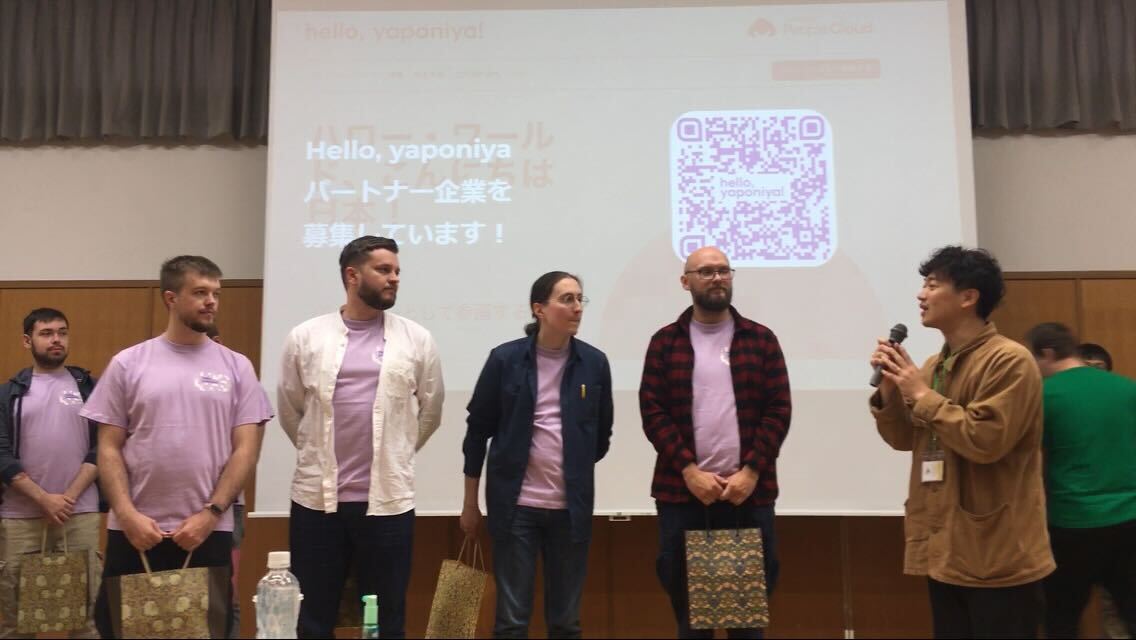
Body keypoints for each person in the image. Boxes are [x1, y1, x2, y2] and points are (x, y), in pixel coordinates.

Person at [82, 255, 273, 638]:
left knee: (206, 631)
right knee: (122, 629)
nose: (211, 301)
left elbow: (246, 449)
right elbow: (108, 447)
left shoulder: (237, 366)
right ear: (170, 298)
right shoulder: (128, 364)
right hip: (135, 530)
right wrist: (127, 515)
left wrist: (211, 513)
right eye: (200, 292)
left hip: (207, 529)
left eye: (216, 293)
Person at [870, 245, 1053, 638]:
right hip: (945, 550)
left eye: (932, 285)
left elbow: (985, 440)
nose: (921, 294)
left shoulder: (1009, 360)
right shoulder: (934, 365)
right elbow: (904, 439)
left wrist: (921, 394)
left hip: (999, 556)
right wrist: (890, 391)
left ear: (969, 297)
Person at [278, 235, 445, 639]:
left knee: (387, 619)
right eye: (384, 270)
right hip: (317, 502)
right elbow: (291, 410)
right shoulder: (306, 337)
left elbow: (431, 411)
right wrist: (316, 454)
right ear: (352, 276)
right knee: (313, 618)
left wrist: (398, 453)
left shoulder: (416, 339)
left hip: (388, 503)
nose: (394, 278)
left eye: (397, 271)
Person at [640, 246, 791, 639]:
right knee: (691, 622)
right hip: (683, 496)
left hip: (749, 496)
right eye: (705, 272)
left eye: (724, 270)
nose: (717, 278)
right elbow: (653, 412)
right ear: (685, 282)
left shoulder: (760, 339)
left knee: (748, 624)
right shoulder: (665, 342)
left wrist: (752, 470)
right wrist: (689, 471)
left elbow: (778, 409)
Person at [461, 271, 614, 639]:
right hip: (516, 508)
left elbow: (600, 436)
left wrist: (573, 467)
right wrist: (469, 503)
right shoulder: (505, 359)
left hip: (571, 510)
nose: (577, 308)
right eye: (566, 299)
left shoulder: (594, 363)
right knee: (512, 622)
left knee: (566, 622)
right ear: (539, 309)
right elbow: (477, 431)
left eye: (580, 299)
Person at [1026, 324, 1136, 639]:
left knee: (1061, 618)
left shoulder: (1043, 395)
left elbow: (1025, 459)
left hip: (1073, 522)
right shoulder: (1127, 388)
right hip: (1130, 518)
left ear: (1047, 353)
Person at [0, 308, 100, 638]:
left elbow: (103, 448)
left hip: (79, 513)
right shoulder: (8, 393)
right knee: (17, 622)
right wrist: (44, 499)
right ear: (27, 341)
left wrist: (66, 499)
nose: (56, 339)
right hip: (21, 517)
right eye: (46, 333)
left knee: (85, 619)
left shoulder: (90, 388)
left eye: (62, 332)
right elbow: (2, 455)